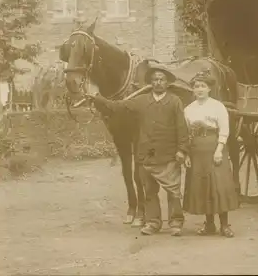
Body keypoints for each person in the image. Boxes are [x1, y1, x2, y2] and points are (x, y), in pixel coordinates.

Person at [85, 64, 189, 236]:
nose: (158, 83)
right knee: (149, 192)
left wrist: (182, 150)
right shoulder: (141, 101)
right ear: (150, 83)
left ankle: (176, 222)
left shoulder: (174, 102)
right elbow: (117, 107)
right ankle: (153, 222)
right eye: (154, 80)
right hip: (146, 154)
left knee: (173, 191)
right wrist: (97, 98)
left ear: (167, 83)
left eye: (161, 80)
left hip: (168, 153)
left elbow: (182, 127)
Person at [183, 69, 239, 238]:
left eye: (203, 86)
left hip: (214, 147)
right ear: (193, 89)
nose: (199, 89)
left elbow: (224, 129)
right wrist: (186, 155)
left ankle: (224, 225)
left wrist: (219, 150)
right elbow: (185, 133)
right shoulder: (188, 109)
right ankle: (209, 225)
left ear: (209, 89)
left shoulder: (218, 106)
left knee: (218, 185)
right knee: (203, 187)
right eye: (196, 86)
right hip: (196, 150)